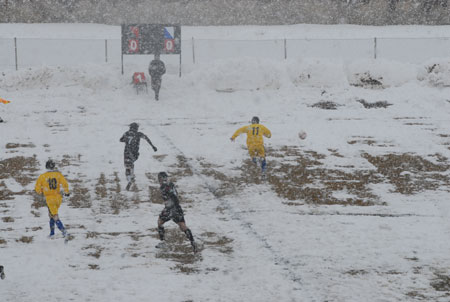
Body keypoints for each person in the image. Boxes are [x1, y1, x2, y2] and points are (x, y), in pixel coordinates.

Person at [156, 172, 197, 253]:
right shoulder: (171, 184)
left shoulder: (164, 186)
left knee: (160, 222)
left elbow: (172, 195)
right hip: (177, 208)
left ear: (160, 178)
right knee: (183, 226)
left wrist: (171, 206)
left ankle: (163, 242)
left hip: (170, 208)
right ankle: (193, 242)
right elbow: (175, 195)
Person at [34, 159, 70, 241]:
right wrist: (66, 192)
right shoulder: (58, 174)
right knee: (51, 215)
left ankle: (64, 231)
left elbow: (37, 189)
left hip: (49, 199)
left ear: (46, 167)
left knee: (54, 216)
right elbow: (64, 183)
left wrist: (41, 191)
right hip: (58, 198)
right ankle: (52, 233)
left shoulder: (42, 176)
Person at [120, 122, 157, 190]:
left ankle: (129, 179)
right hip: (135, 154)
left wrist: (126, 139)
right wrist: (153, 146)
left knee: (127, 167)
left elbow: (121, 140)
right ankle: (132, 177)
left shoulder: (126, 133)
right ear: (137, 128)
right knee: (132, 163)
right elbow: (146, 138)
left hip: (127, 153)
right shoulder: (138, 134)